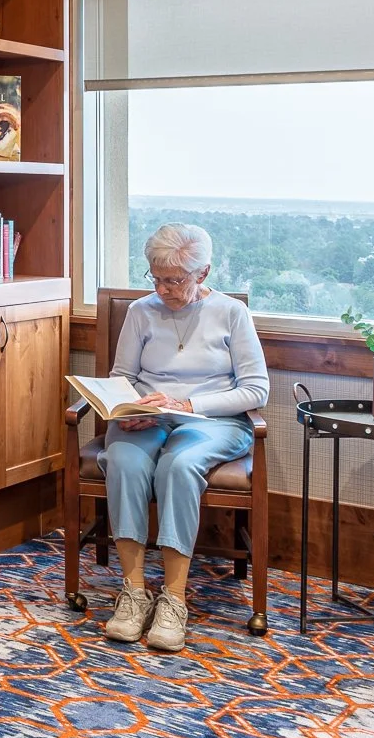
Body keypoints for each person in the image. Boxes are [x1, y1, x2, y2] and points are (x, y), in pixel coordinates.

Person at [100, 222, 267, 652]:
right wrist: (136, 406)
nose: (163, 289)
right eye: (155, 278)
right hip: (150, 419)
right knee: (124, 460)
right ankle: (134, 594)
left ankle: (174, 600)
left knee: (178, 464)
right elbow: (122, 376)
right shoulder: (141, 311)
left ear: (203, 274)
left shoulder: (232, 314)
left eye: (174, 280)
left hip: (212, 422)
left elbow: (256, 390)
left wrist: (190, 406)